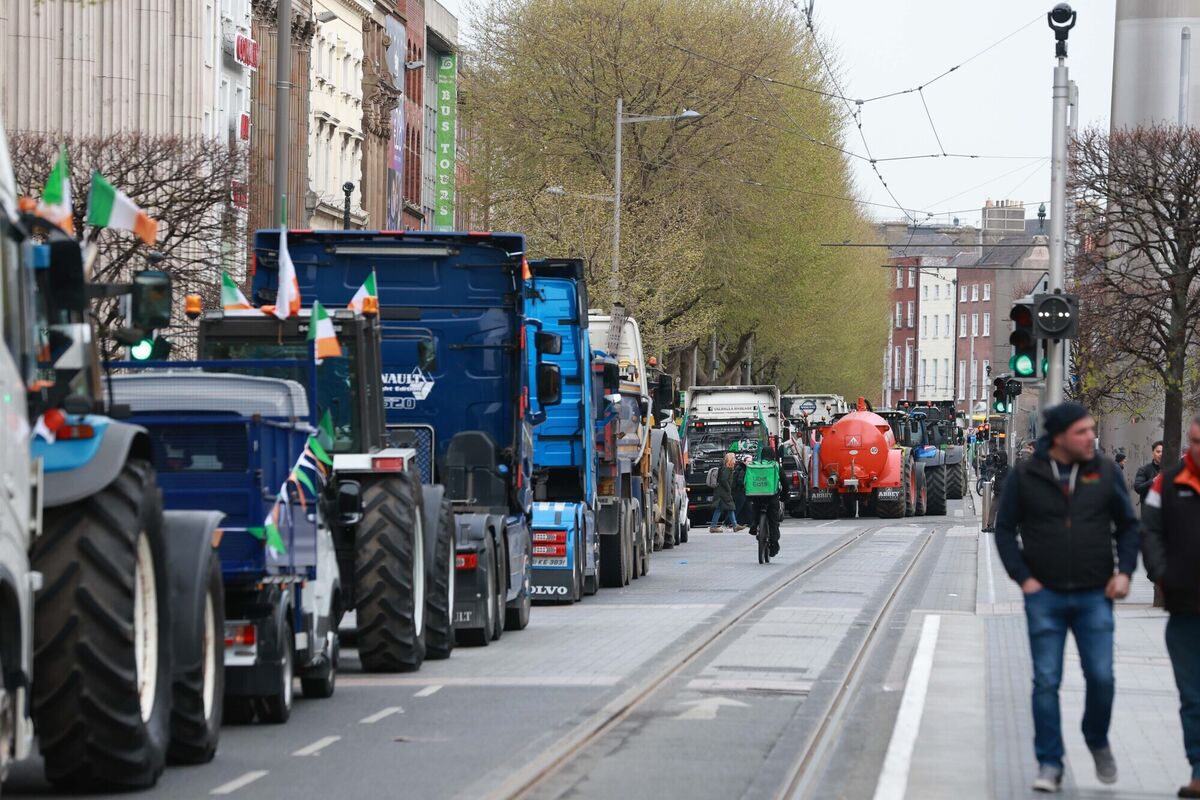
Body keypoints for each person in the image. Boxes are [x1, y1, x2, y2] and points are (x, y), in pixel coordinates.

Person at [993, 401, 1140, 793]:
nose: (1091, 437)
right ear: (1058, 437)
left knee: (1102, 676)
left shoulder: (1104, 472)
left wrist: (1125, 572)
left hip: (1095, 594)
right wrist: (1023, 578)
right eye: (1083, 431)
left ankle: (1096, 739)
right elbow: (1004, 530)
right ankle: (1050, 762)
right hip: (1045, 595)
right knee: (1045, 680)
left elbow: (1128, 526)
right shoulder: (1026, 476)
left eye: (1092, 430)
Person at [1141, 415, 1200, 798]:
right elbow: (1150, 531)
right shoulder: (1167, 482)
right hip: (1185, 608)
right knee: (1192, 695)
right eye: (1195, 441)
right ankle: (1199, 769)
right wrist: (1162, 575)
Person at [746, 446, 786, 557]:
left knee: (756, 509)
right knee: (774, 522)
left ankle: (754, 525)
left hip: (757, 497)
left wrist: (748, 497)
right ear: (773, 455)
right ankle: (774, 545)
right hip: (772, 498)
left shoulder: (754, 465)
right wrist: (784, 496)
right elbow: (785, 482)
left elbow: (747, 482)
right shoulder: (776, 466)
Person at [709, 452, 738, 532]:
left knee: (723, 508)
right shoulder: (727, 469)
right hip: (723, 491)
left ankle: (714, 526)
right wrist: (729, 489)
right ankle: (734, 526)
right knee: (729, 507)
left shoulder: (724, 468)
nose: (735, 460)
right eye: (734, 458)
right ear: (731, 459)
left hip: (721, 491)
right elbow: (723, 480)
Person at [1135, 440, 1164, 504]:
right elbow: (1138, 488)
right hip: (1149, 509)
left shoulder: (1172, 469)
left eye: (1163, 452)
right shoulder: (1144, 469)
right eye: (1158, 452)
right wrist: (1153, 481)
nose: (1161, 454)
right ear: (1153, 453)